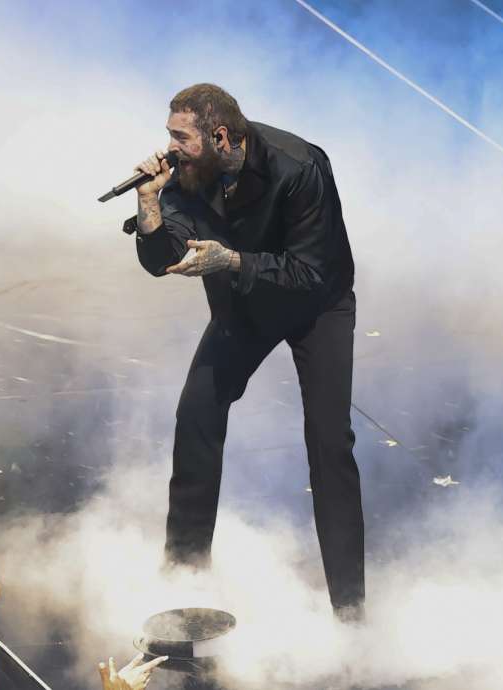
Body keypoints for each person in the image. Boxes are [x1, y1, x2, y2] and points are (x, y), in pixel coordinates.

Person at [122, 83, 364, 617]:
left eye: (181, 137)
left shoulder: (299, 166)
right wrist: (149, 202)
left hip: (317, 305)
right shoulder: (188, 175)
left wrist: (231, 260)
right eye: (169, 135)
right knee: (196, 415)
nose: (170, 147)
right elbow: (161, 258)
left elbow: (311, 272)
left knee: (329, 444)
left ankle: (350, 610)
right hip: (246, 306)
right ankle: (184, 578)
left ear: (220, 136)